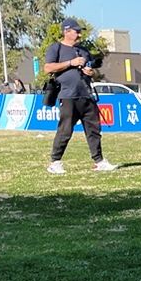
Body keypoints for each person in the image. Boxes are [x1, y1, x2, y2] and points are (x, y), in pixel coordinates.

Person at [44, 18, 117, 174]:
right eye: (76, 31)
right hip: (68, 95)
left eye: (79, 31)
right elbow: (48, 67)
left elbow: (93, 71)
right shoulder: (56, 48)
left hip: (87, 94)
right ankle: (55, 162)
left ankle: (99, 161)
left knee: (94, 129)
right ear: (66, 31)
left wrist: (91, 72)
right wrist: (71, 62)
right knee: (65, 130)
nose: (79, 33)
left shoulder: (84, 51)